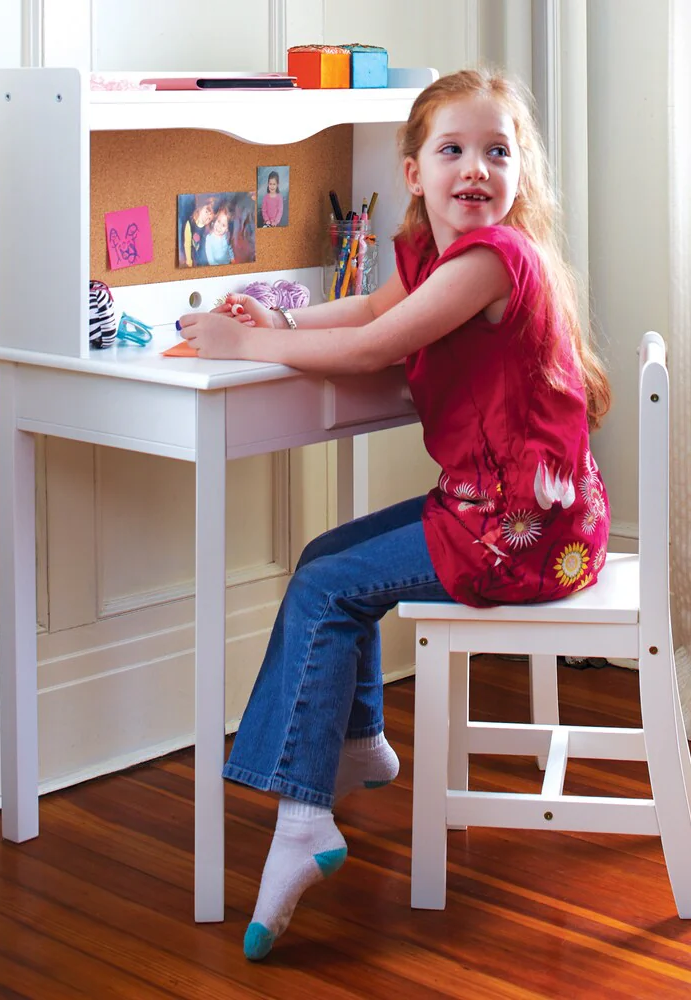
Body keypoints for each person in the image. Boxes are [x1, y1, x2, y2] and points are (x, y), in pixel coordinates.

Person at [176, 69, 612, 961]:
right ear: (412, 172)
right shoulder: (426, 255)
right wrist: (283, 323)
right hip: (499, 514)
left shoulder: (494, 259)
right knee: (326, 559)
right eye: (452, 150)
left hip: (521, 535)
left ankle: (304, 819)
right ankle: (363, 742)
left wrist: (245, 344)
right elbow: (377, 307)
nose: (476, 169)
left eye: (498, 151)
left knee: (329, 586)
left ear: (521, 172)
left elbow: (380, 344)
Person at [181, 193, 216, 267]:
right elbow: (187, 244)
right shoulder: (190, 223)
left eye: (209, 218)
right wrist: (189, 260)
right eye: (206, 212)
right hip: (193, 255)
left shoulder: (207, 229)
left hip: (202, 257)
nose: (206, 218)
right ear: (201, 207)